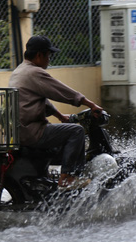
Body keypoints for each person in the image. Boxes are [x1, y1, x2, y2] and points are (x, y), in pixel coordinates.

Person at [9, 35, 103, 190]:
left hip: (22, 130)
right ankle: (67, 177)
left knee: (63, 143)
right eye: (48, 55)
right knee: (76, 132)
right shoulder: (34, 72)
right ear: (39, 55)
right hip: (32, 132)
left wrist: (60, 116)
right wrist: (91, 104)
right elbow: (60, 90)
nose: (49, 60)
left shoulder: (20, 71)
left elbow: (42, 100)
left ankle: (46, 180)